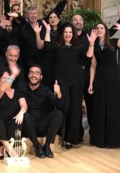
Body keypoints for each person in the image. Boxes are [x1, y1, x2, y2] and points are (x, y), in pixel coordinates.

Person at [42, 21, 95, 149]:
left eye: (70, 32)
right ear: (62, 33)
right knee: (63, 107)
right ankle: (59, 136)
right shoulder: (57, 45)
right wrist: (48, 31)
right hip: (61, 82)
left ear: (73, 34)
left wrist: (92, 44)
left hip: (76, 81)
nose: (68, 34)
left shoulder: (79, 46)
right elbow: (47, 48)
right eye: (65, 32)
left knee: (75, 110)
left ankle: (70, 139)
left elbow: (87, 59)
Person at [88, 22, 120, 148]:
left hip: (113, 77)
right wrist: (91, 83)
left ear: (106, 30)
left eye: (101, 28)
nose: (99, 29)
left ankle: (113, 140)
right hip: (100, 77)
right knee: (100, 106)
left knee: (113, 107)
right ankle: (100, 140)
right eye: (97, 28)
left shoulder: (114, 42)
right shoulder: (94, 44)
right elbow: (93, 66)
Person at [20, 65, 63, 158]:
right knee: (25, 115)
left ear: (41, 77)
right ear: (28, 75)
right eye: (31, 72)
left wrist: (58, 92)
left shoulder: (46, 90)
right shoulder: (22, 87)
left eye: (37, 73)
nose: (33, 75)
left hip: (42, 124)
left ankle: (47, 146)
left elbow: (59, 105)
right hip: (28, 126)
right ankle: (37, 146)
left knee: (58, 113)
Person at [0, 66, 27, 159]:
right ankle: (9, 149)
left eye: (9, 78)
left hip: (11, 122)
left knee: (18, 120)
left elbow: (24, 104)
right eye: (4, 78)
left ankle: (2, 148)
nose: (7, 81)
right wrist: (13, 74)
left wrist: (21, 112)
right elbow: (2, 89)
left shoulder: (17, 92)